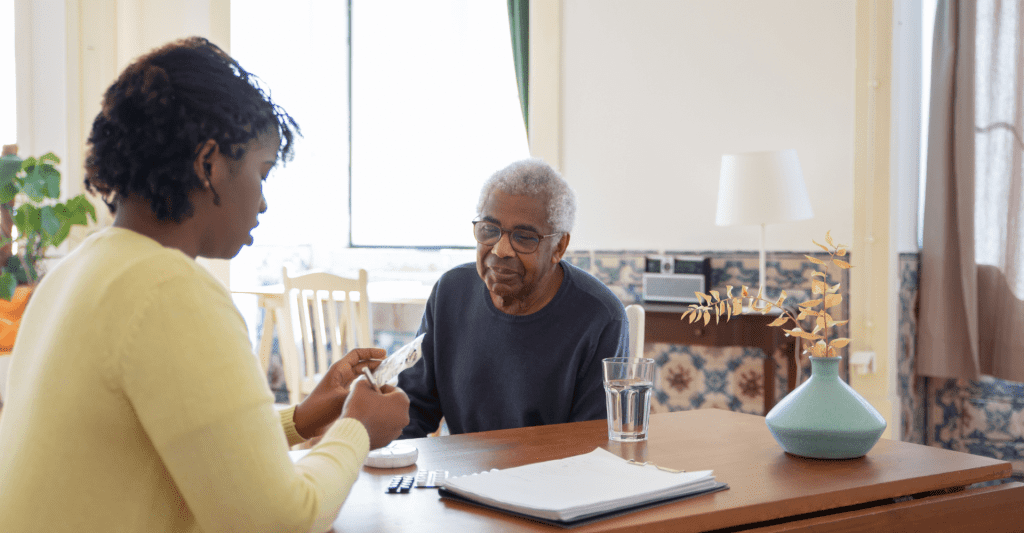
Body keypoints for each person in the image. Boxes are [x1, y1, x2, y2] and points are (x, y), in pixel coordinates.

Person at [0, 37, 409, 533]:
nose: (263, 203)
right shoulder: (169, 289)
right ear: (209, 164)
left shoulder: (75, 272)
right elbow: (279, 521)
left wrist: (301, 420)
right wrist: (357, 428)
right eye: (261, 173)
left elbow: (166, 446)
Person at [397, 158, 628, 438]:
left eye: (524, 237)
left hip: (553, 477)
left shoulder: (600, 317)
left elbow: (592, 441)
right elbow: (412, 412)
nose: (501, 249)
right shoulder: (450, 292)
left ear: (559, 246)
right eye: (489, 230)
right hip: (462, 475)